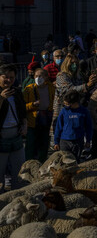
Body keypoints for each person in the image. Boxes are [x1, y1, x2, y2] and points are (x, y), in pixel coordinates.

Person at [51, 54, 97, 145]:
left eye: (76, 63)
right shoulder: (61, 76)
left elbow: (81, 92)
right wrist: (86, 85)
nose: (74, 65)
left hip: (76, 109)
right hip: (63, 109)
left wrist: (90, 84)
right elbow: (69, 90)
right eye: (72, 63)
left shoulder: (77, 76)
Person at [0, 64, 26, 192]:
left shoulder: (17, 92)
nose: (9, 80)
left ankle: (18, 194)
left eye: (12, 77)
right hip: (1, 135)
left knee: (19, 169)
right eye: (6, 77)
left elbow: (22, 111)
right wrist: (1, 98)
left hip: (16, 133)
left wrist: (24, 124)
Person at [22, 68, 54, 162]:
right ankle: (28, 164)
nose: (38, 78)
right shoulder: (29, 89)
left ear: (46, 77)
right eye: (36, 76)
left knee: (44, 145)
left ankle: (42, 164)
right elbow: (22, 106)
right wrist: (32, 105)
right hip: (33, 121)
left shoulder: (51, 88)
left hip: (46, 120)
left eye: (41, 76)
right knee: (30, 145)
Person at [53, 90, 93, 162]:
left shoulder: (84, 112)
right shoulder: (63, 111)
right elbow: (58, 127)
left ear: (75, 103)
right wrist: (56, 141)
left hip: (78, 141)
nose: (65, 105)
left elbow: (88, 127)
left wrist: (88, 140)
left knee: (75, 161)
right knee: (64, 161)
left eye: (67, 104)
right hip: (64, 141)